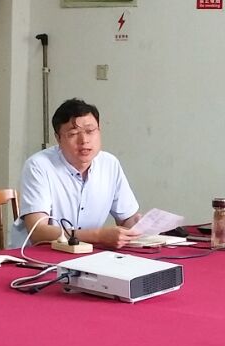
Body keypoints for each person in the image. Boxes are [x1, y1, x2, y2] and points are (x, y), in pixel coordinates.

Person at [17, 99, 144, 248]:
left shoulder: (110, 164)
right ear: (58, 138)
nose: (84, 140)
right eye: (73, 134)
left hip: (88, 255)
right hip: (39, 255)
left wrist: (139, 225)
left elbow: (126, 220)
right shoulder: (39, 166)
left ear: (99, 131)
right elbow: (38, 232)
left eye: (90, 131)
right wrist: (99, 236)